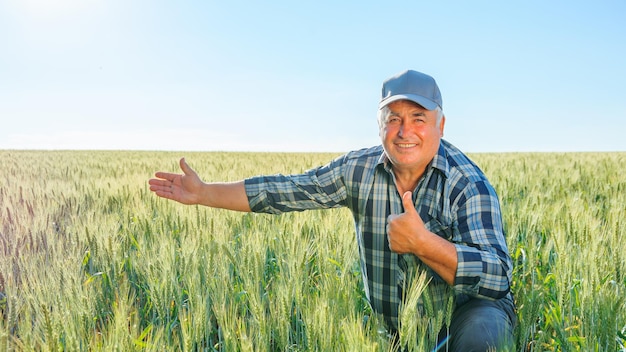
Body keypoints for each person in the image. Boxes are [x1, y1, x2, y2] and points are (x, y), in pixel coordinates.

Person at [148, 70, 517, 351]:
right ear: (379, 126)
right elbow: (287, 191)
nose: (405, 131)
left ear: (441, 124)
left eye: (419, 118)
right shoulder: (357, 170)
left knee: (485, 333)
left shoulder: (467, 184)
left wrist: (423, 244)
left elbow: (498, 277)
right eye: (393, 119)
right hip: (398, 330)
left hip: (462, 321)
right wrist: (204, 193)